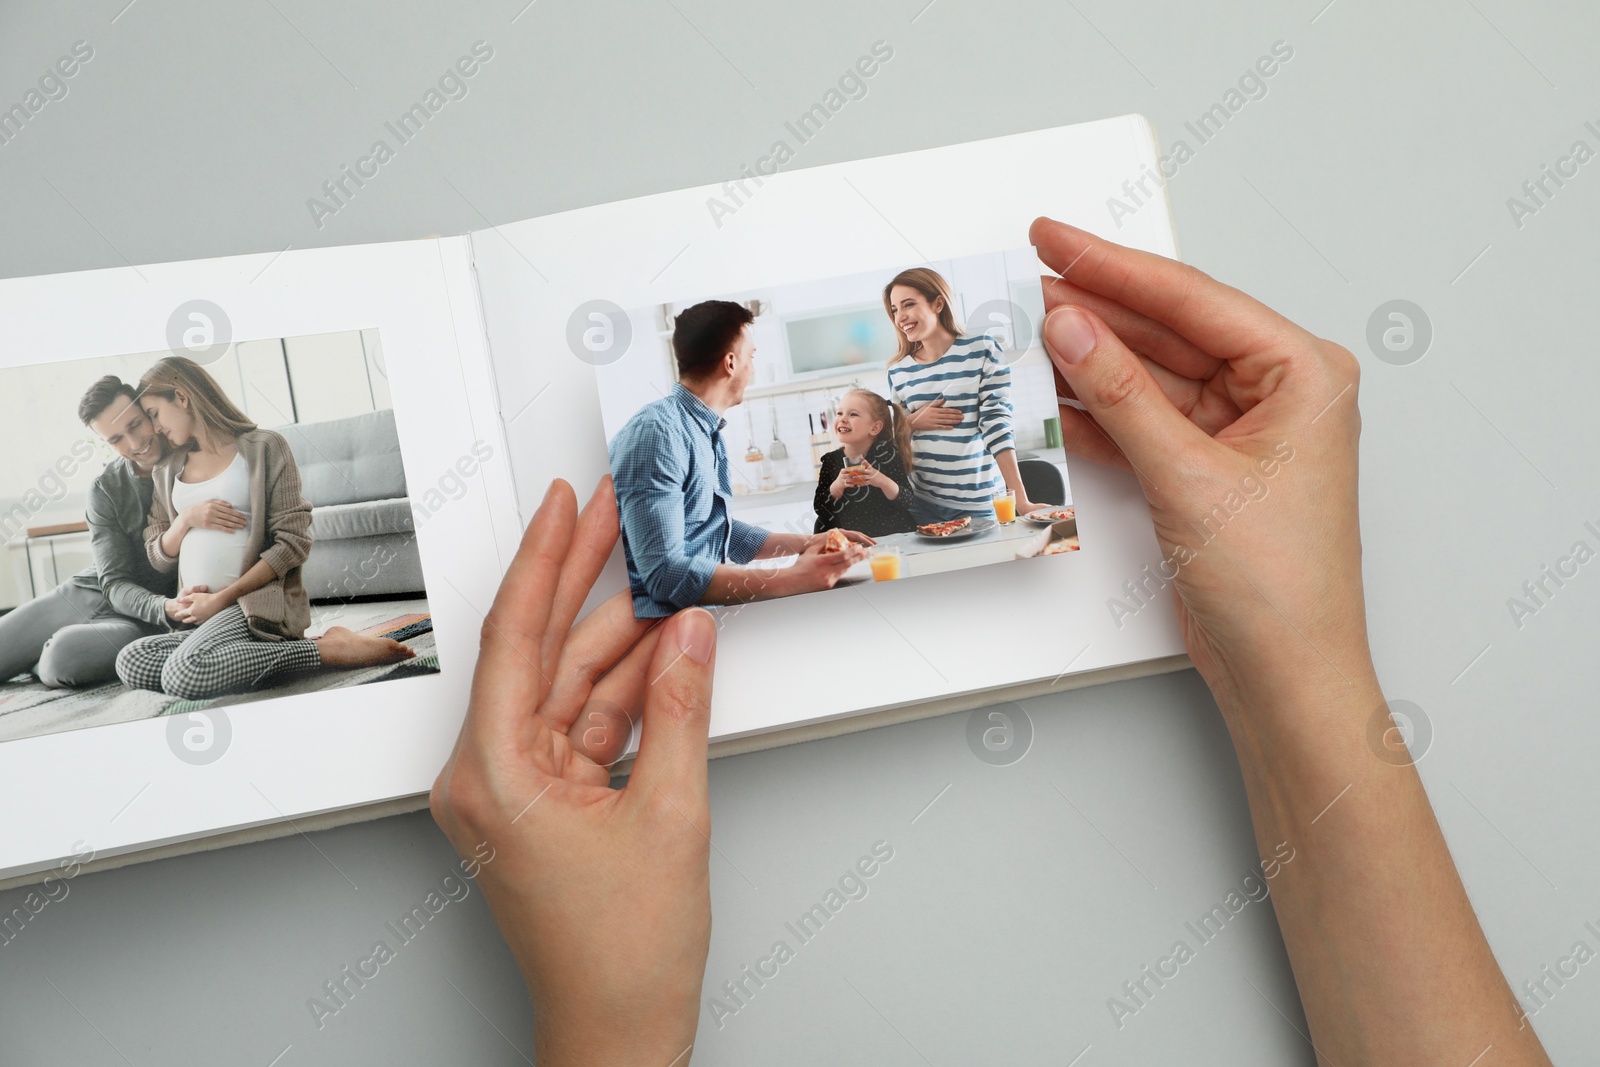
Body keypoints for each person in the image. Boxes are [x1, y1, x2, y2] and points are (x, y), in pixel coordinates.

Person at [430, 219, 1554, 1065]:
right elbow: (676, 570)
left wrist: (824, 534)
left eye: (910, 311)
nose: (795, 381)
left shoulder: (736, 422)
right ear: (729, 354)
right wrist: (798, 558)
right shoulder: (669, 429)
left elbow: (744, 521)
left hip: (970, 508)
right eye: (759, 351)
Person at [114, 356, 412, 700]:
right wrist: (184, 520)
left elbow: (292, 543)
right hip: (199, 616)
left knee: (185, 675)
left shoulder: (263, 448)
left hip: (249, 606)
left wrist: (222, 599)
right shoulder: (166, 469)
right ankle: (228, 651)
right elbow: (158, 554)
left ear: (181, 397)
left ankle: (327, 650)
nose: (154, 429)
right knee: (132, 660)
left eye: (153, 414)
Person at [608, 299, 875, 618]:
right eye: (751, 356)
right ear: (731, 363)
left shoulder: (701, 428)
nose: (753, 367)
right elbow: (664, 574)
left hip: (695, 618)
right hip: (656, 630)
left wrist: (808, 542)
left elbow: (718, 528)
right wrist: (792, 580)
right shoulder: (658, 434)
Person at [0, 377, 182, 688]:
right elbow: (112, 582)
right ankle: (36, 651)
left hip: (141, 621)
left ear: (149, 411)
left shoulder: (193, 461)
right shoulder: (105, 486)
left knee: (59, 662)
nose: (135, 443)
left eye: (136, 424)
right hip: (91, 591)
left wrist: (163, 609)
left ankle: (40, 656)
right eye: (116, 439)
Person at [883, 267, 1045, 525]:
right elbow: (893, 441)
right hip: (920, 503)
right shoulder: (898, 371)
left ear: (937, 303)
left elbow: (997, 423)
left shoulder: (983, 350)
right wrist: (913, 422)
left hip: (979, 503)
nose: (900, 317)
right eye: (894, 309)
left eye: (908, 305)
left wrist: (1021, 500)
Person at [812, 388, 917, 537]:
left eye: (853, 414)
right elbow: (820, 509)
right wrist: (838, 486)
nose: (842, 418)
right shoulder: (830, 461)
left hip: (892, 538)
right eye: (839, 413)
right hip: (849, 544)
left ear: (874, 427)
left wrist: (882, 481)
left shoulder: (887, 455)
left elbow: (907, 501)